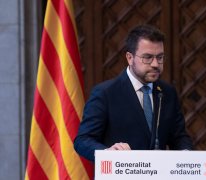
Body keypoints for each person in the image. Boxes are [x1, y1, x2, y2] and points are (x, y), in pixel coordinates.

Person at [74, 24, 193, 162]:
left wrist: (186, 154)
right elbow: (82, 140)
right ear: (130, 58)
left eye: (160, 57)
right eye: (147, 57)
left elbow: (179, 137)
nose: (155, 64)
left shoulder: (167, 92)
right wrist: (107, 153)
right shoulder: (105, 93)